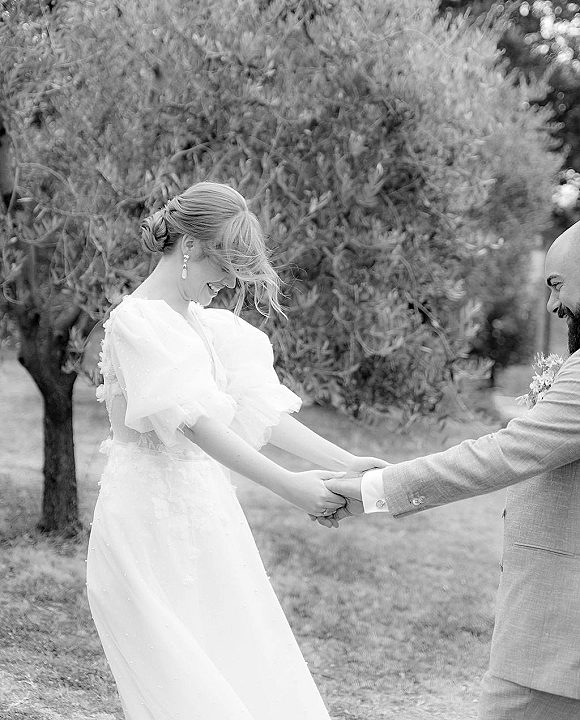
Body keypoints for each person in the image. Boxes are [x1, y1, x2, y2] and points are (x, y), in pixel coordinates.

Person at [86, 181, 385, 720]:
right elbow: (197, 424)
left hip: (208, 516)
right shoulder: (138, 322)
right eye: (224, 266)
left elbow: (257, 414)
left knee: (241, 655)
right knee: (180, 679)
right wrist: (289, 485)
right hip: (146, 523)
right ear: (191, 248)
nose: (228, 283)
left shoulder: (209, 327)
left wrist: (344, 461)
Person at [322, 220, 580, 720]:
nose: (552, 305)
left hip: (558, 641)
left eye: (556, 284)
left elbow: (506, 452)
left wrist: (376, 490)